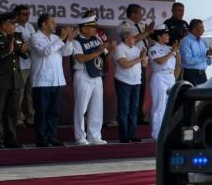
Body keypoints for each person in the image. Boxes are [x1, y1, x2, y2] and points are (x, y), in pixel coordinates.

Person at [30, 14, 73, 147]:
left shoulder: (55, 38)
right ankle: (41, 137)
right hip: (42, 81)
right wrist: (61, 38)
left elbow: (66, 53)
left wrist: (69, 40)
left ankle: (52, 136)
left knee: (54, 111)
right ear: (44, 24)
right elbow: (44, 52)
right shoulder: (35, 37)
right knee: (42, 111)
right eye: (52, 22)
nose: (56, 24)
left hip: (57, 80)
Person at [0, 11, 25, 149]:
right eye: (13, 24)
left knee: (12, 111)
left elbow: (22, 54)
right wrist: (9, 49)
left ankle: (11, 139)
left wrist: (24, 50)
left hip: (15, 80)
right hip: (0, 80)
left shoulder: (17, 36)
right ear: (4, 24)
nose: (15, 26)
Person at [70, 14, 108, 145]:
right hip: (83, 74)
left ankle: (94, 135)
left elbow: (105, 55)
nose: (95, 29)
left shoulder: (97, 39)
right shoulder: (76, 41)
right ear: (84, 28)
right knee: (81, 107)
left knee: (97, 107)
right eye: (92, 27)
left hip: (97, 74)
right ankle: (80, 136)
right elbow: (80, 58)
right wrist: (98, 51)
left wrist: (111, 50)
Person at [117, 3, 154, 124]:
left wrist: (151, 36)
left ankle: (138, 114)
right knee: (129, 91)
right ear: (132, 13)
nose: (141, 15)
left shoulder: (142, 25)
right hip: (130, 59)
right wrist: (146, 32)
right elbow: (133, 39)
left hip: (141, 59)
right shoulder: (125, 25)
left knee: (141, 88)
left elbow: (145, 39)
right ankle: (126, 117)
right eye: (139, 13)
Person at [113, 28, 147, 143]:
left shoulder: (136, 48)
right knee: (124, 110)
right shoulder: (119, 48)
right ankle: (124, 136)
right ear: (126, 38)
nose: (135, 38)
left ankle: (133, 134)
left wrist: (143, 57)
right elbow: (125, 64)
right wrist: (140, 58)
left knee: (134, 110)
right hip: (124, 82)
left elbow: (145, 63)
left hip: (136, 82)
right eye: (133, 37)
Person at [147, 28, 180, 139]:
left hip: (170, 77)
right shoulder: (153, 48)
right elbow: (160, 61)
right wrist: (172, 52)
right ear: (159, 37)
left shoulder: (170, 48)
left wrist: (176, 51)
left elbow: (178, 64)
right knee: (159, 106)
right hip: (159, 77)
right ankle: (157, 134)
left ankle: (168, 133)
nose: (168, 37)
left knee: (170, 107)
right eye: (166, 35)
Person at [12, 4, 36, 129]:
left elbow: (34, 43)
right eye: (24, 14)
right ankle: (18, 119)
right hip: (20, 65)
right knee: (19, 94)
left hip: (32, 64)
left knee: (31, 94)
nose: (27, 16)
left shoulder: (30, 26)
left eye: (28, 14)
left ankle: (31, 118)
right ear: (17, 15)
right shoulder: (14, 27)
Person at [179, 19, 212, 85]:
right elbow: (188, 61)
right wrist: (206, 56)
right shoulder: (186, 41)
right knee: (193, 95)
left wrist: (209, 55)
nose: (204, 30)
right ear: (194, 29)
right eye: (201, 27)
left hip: (203, 74)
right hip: (191, 75)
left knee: (204, 95)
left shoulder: (202, 41)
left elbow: (209, 63)